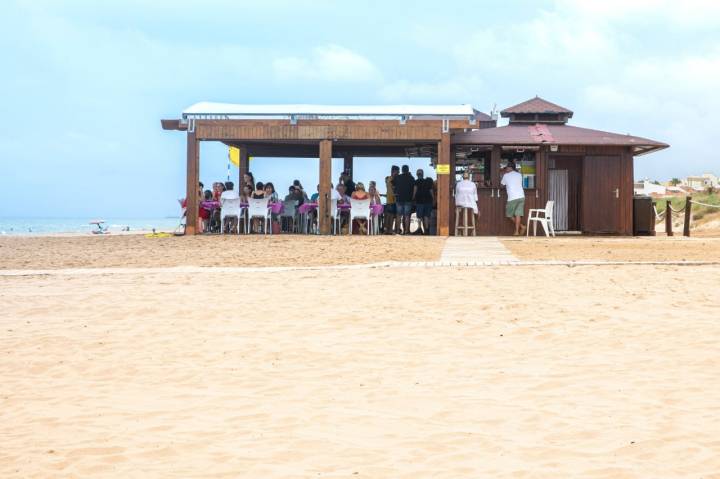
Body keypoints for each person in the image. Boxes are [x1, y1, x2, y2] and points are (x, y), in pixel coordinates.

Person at [500, 162, 526, 235]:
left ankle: (521, 227)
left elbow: (502, 185)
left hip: (512, 197)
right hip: (521, 196)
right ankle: (517, 231)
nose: (506, 169)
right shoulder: (519, 175)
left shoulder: (506, 175)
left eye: (507, 168)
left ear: (510, 168)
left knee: (509, 215)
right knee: (518, 214)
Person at [393, 165, 415, 235]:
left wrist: (395, 193)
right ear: (408, 170)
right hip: (408, 199)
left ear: (402, 170)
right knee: (407, 216)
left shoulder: (398, 177)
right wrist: (413, 197)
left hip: (399, 199)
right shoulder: (411, 178)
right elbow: (414, 188)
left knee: (399, 215)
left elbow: (393, 186)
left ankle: (397, 231)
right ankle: (406, 231)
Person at [413, 169, 434, 235]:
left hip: (420, 201)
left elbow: (415, 190)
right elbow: (431, 191)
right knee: (426, 216)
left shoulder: (416, 181)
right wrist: (433, 199)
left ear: (417, 174)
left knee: (419, 216)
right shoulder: (427, 181)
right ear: (423, 174)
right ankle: (426, 230)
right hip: (428, 201)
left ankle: (420, 229)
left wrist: (413, 198)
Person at [383, 165, 399, 234]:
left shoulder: (388, 179)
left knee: (389, 216)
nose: (398, 172)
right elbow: (394, 189)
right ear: (394, 171)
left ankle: (388, 230)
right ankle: (389, 230)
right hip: (392, 200)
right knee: (391, 216)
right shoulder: (392, 179)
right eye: (398, 171)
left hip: (389, 200)